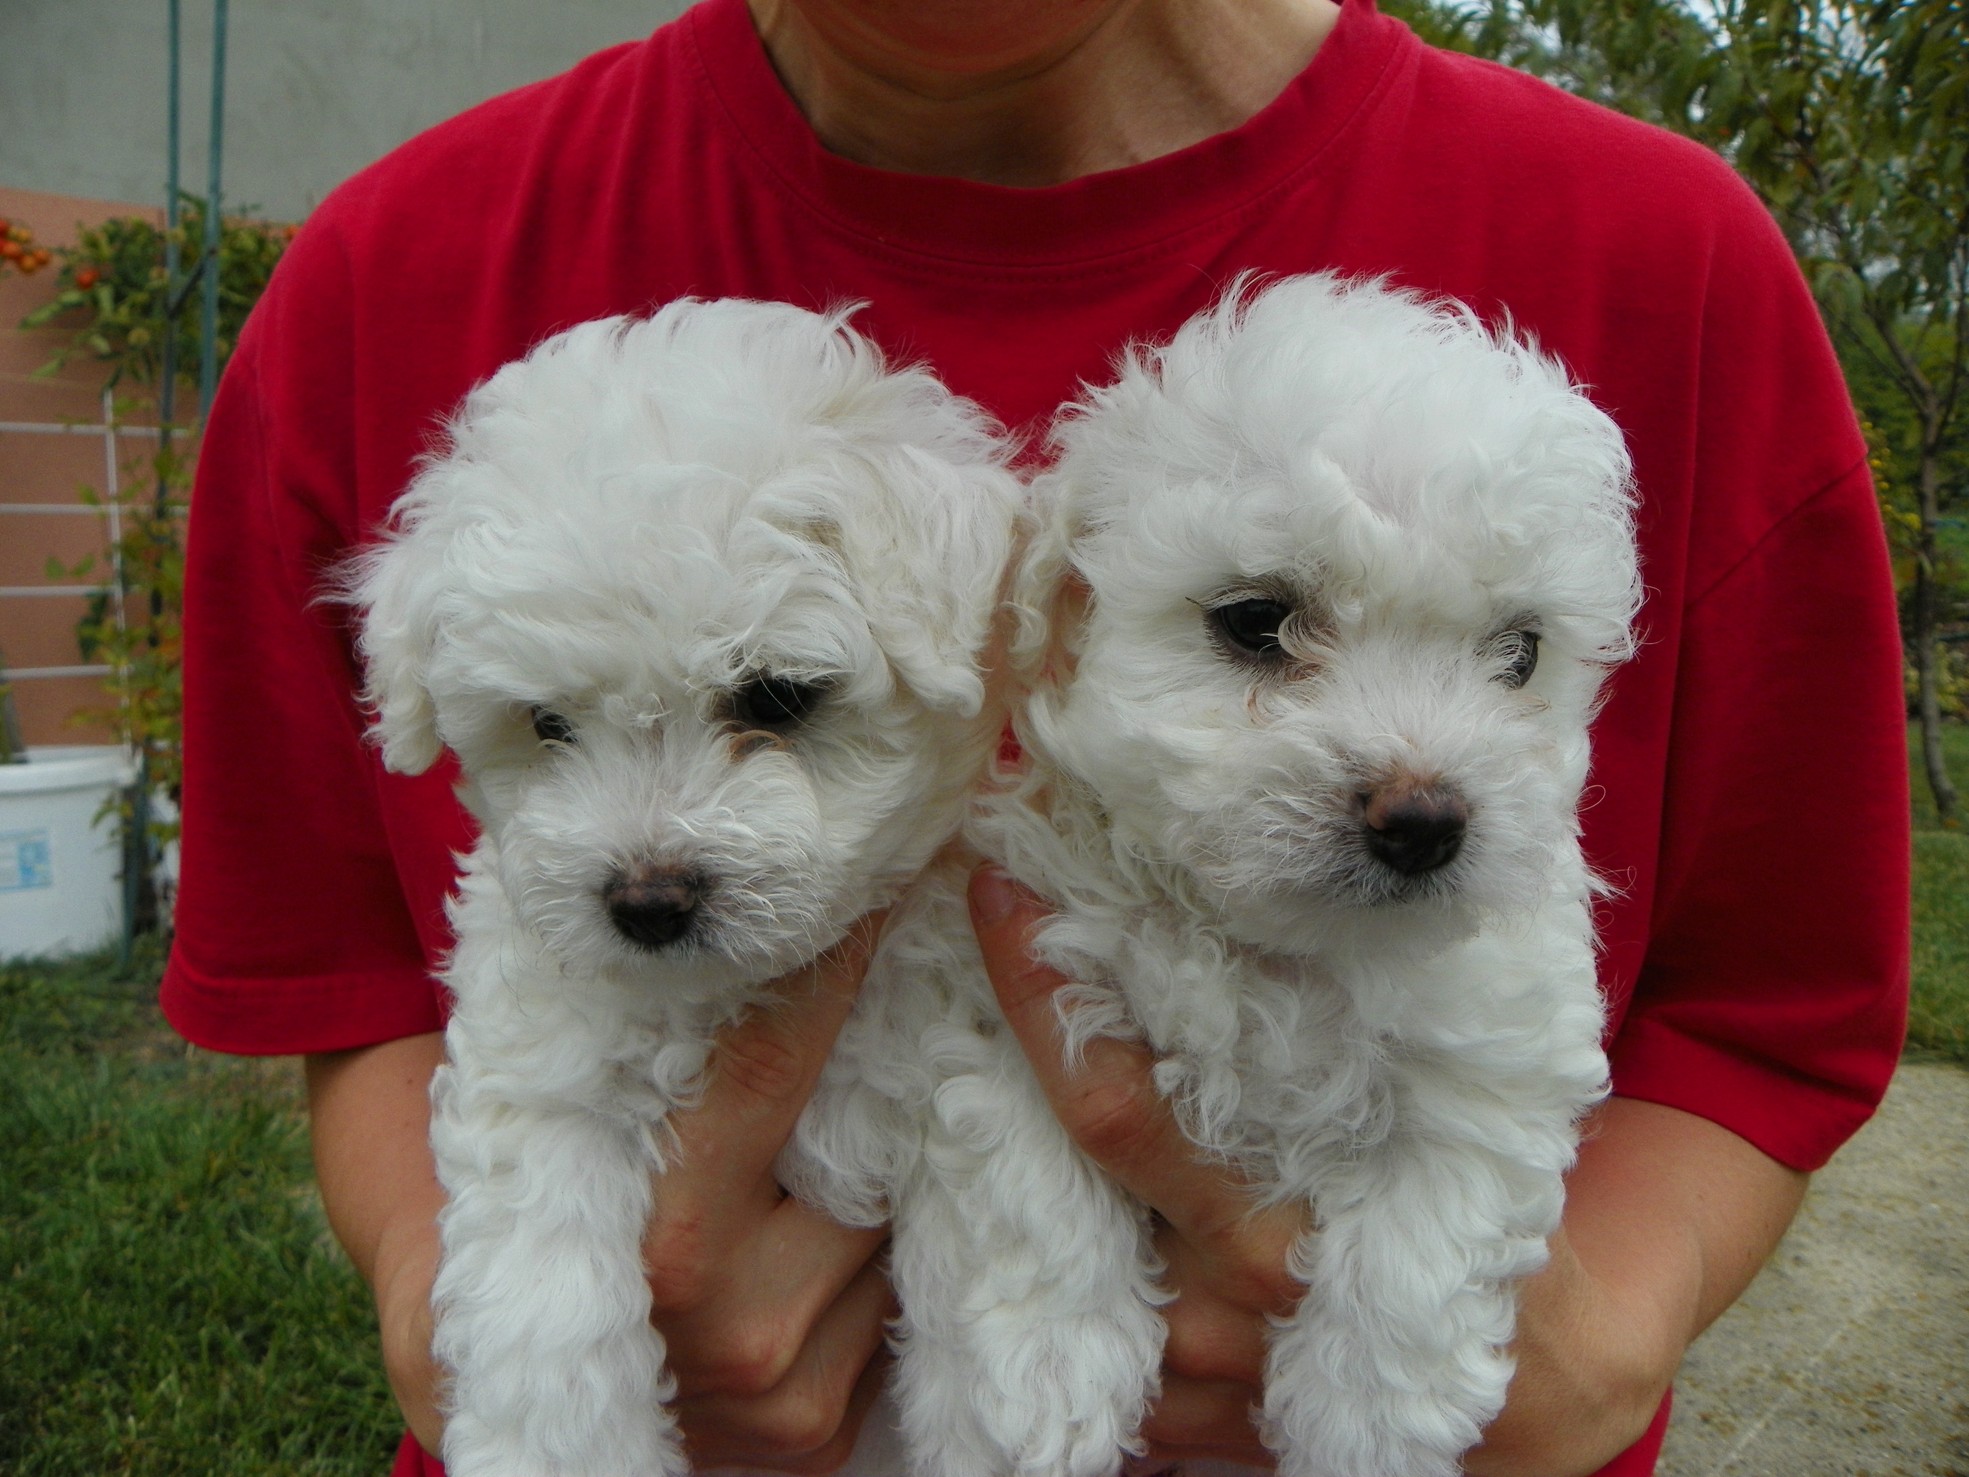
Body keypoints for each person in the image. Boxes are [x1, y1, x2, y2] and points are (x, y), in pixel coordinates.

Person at [159, 1, 1910, 1473]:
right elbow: (344, 977)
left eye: (774, 704)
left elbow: (1771, 1011)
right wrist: (481, 1315)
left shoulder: (1664, 263)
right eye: (1260, 631)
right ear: (1054, 596)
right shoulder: (379, 287)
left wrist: (1576, 1339)